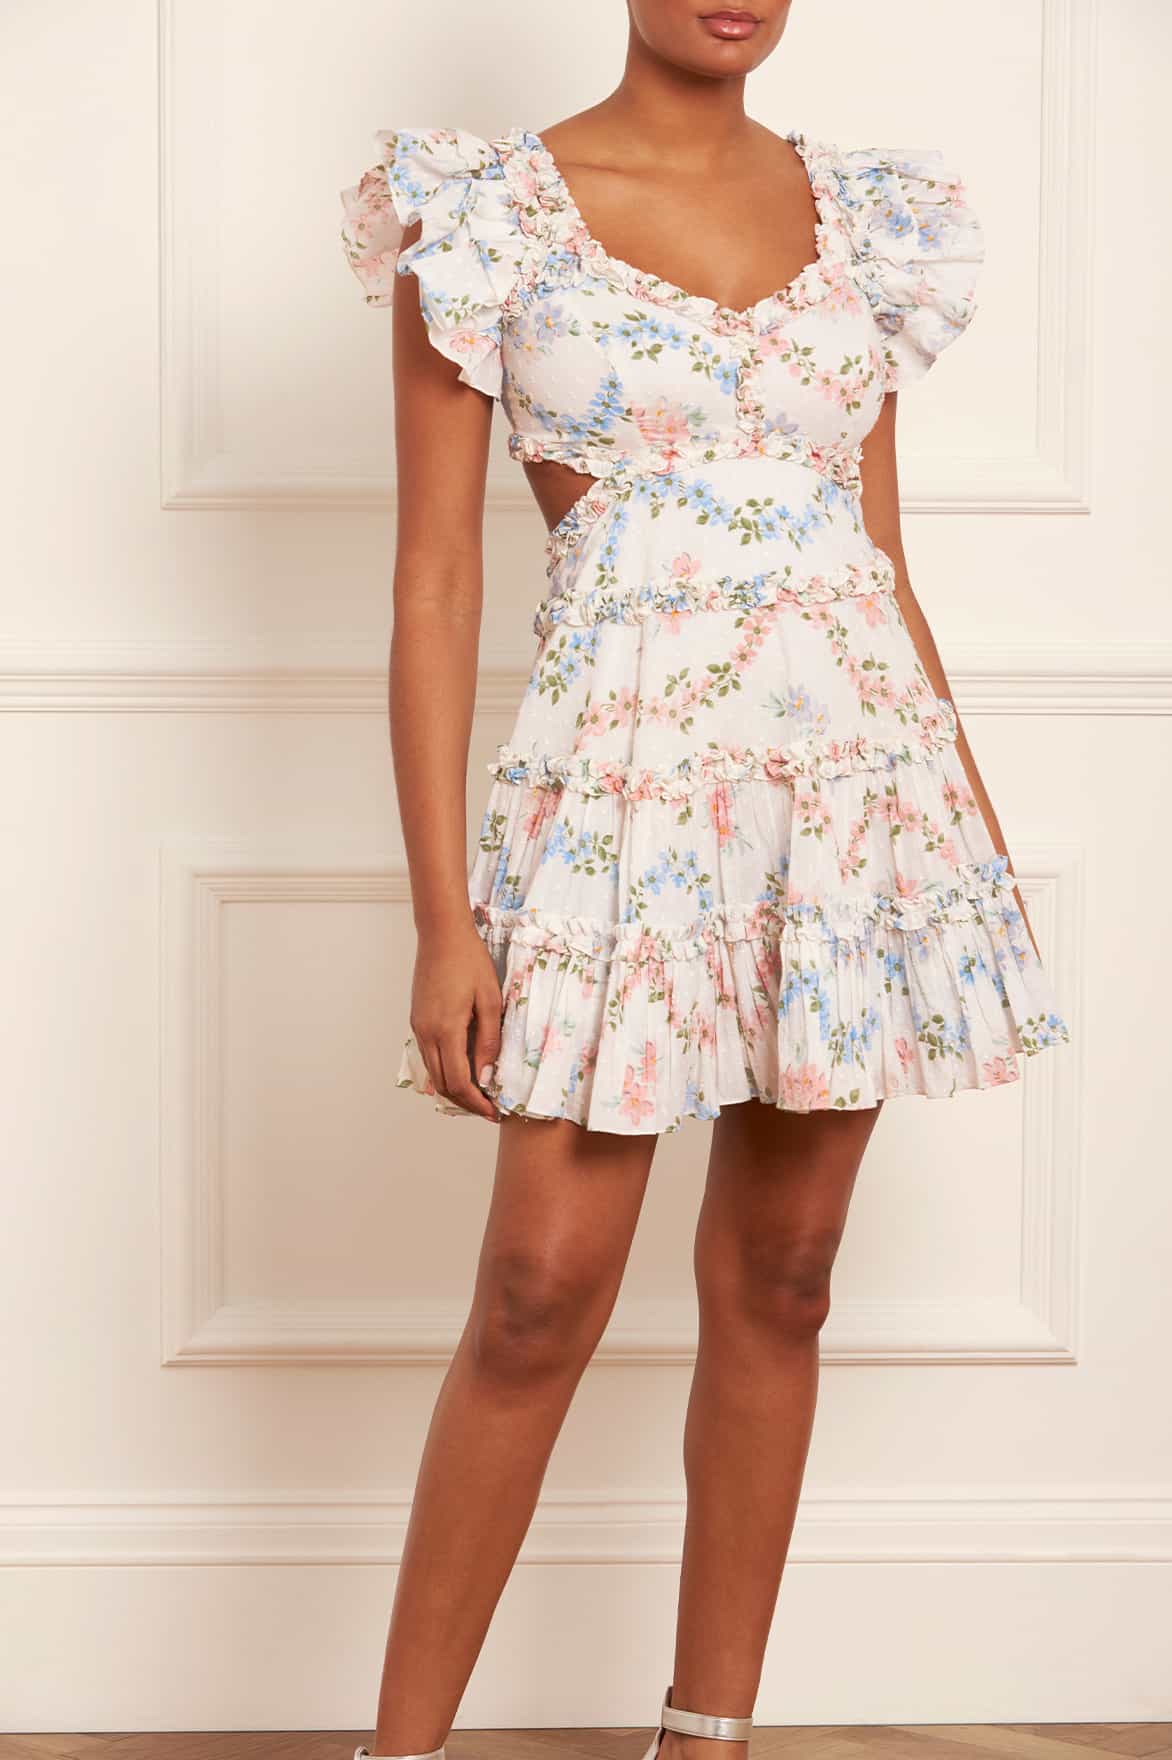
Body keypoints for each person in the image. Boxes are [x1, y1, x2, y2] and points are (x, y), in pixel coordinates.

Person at [339, 3, 1071, 1754]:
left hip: (856, 809)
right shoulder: (485, 212)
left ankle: (707, 1738)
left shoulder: (867, 219)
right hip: (620, 809)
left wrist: (969, 858)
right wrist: (444, 922)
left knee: (788, 1273)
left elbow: (876, 559)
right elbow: (435, 582)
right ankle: (398, 1754)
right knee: (537, 1290)